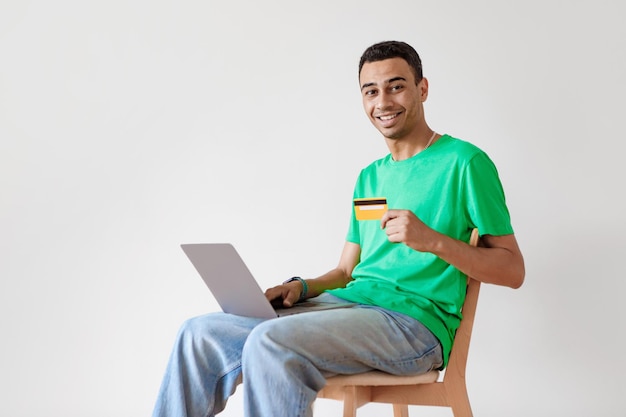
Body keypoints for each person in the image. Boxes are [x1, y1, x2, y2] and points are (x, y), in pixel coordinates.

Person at [152, 40, 525, 417]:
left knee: (272, 341)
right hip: (346, 308)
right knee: (198, 334)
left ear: (422, 89)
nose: (383, 102)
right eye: (371, 91)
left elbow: (513, 270)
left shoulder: (466, 163)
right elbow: (346, 272)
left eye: (396, 86)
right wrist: (299, 288)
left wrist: (432, 241)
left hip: (413, 327)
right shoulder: (369, 178)